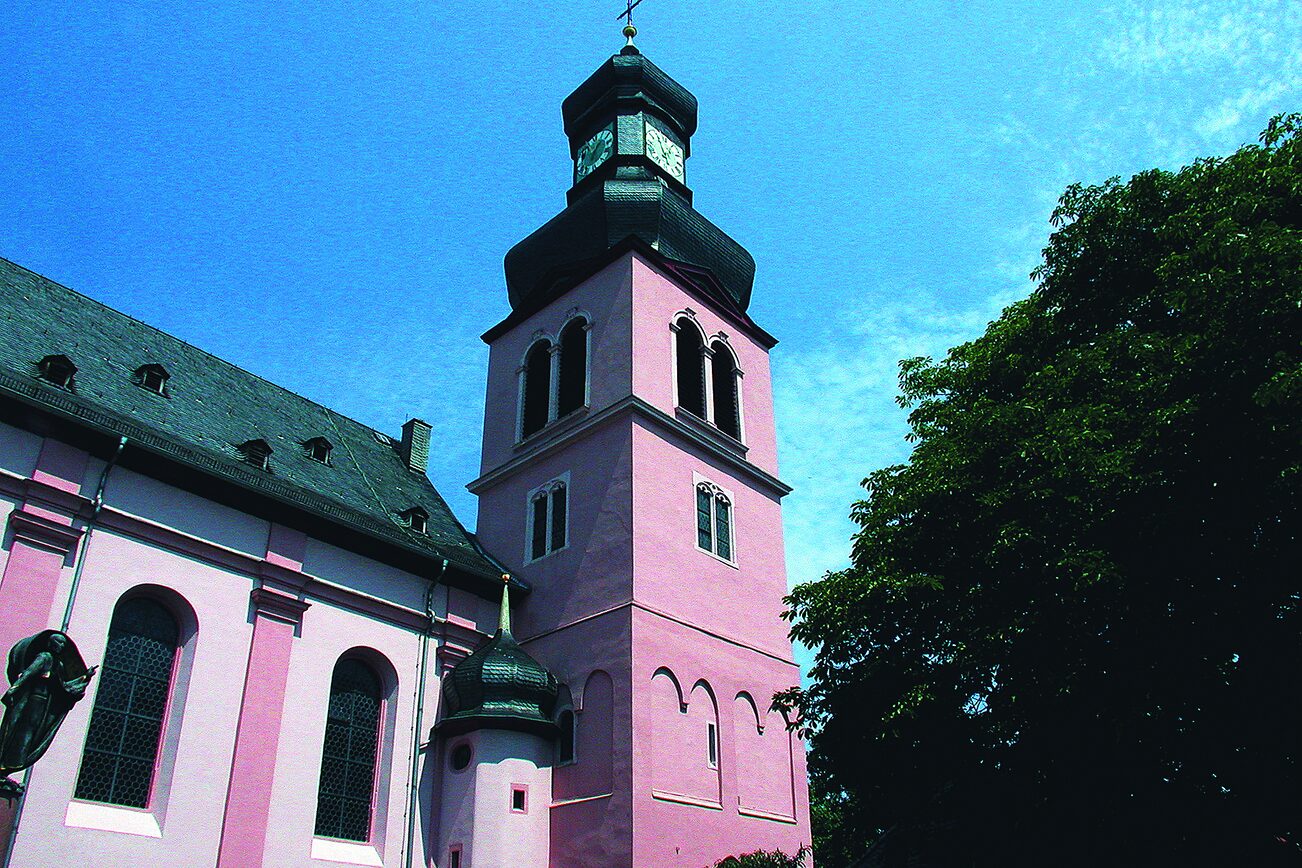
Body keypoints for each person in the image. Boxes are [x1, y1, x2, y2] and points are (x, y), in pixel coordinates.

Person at [0, 631, 96, 777]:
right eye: (59, 642)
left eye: (63, 643)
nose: (61, 645)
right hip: (32, 701)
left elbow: (63, 685)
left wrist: (84, 677)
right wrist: (13, 690)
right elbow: (28, 674)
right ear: (51, 643)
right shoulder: (44, 657)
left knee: (32, 735)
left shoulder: (59, 664)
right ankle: (5, 763)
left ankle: (11, 764)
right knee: (20, 732)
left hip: (43, 705)